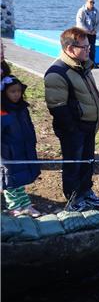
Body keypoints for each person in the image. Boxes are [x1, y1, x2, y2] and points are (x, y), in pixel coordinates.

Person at [44, 27, 99, 211]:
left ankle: (86, 190)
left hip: (89, 126)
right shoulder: (57, 73)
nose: (89, 49)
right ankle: (73, 197)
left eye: (88, 46)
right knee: (73, 163)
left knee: (87, 161)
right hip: (74, 129)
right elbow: (57, 107)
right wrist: (73, 129)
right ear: (70, 49)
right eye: (84, 47)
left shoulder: (83, 66)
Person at [1, 75, 41, 217]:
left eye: (18, 91)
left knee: (20, 178)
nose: (17, 94)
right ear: (4, 93)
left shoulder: (22, 108)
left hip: (23, 148)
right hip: (7, 153)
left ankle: (25, 204)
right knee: (9, 181)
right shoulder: (2, 111)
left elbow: (29, 126)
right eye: (12, 91)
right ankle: (14, 207)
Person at [75, 0, 99, 65]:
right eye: (90, 2)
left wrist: (95, 30)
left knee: (92, 48)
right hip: (83, 33)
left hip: (92, 33)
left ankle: (92, 63)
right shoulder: (81, 11)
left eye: (93, 2)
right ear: (86, 2)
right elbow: (79, 22)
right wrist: (86, 31)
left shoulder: (96, 11)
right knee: (82, 48)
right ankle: (81, 63)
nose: (92, 4)